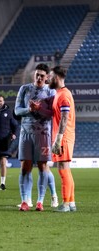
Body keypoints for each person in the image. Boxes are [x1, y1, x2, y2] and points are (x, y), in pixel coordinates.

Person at [15, 63, 58, 211]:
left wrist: (39, 109)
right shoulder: (25, 89)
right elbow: (16, 111)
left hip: (43, 134)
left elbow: (52, 114)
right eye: (37, 75)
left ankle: (40, 201)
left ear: (47, 78)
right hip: (25, 133)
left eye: (42, 76)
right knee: (25, 167)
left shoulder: (51, 92)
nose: (39, 78)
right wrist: (29, 109)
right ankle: (25, 201)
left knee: (43, 167)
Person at [48, 66, 76, 212]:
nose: (48, 79)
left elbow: (64, 117)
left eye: (50, 76)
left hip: (63, 137)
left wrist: (58, 139)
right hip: (66, 136)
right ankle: (71, 202)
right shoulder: (61, 93)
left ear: (56, 78)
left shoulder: (63, 95)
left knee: (63, 169)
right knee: (66, 170)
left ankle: (65, 204)